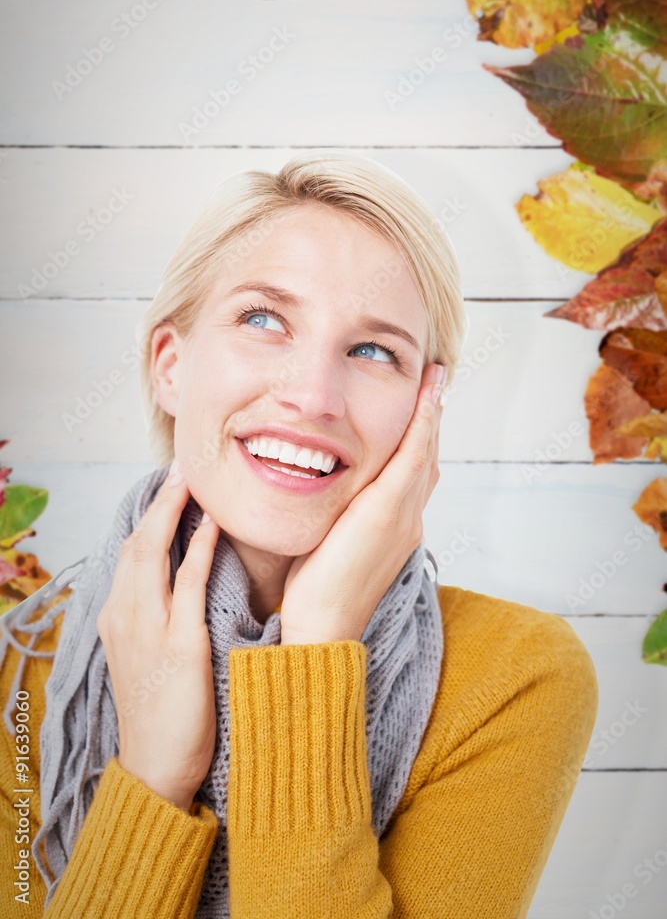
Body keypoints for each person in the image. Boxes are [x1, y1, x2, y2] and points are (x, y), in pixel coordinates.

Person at [0, 150, 598, 917]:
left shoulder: (516, 675)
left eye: (373, 350)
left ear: (425, 412)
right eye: (263, 319)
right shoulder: (32, 672)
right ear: (170, 366)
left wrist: (316, 650)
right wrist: (152, 776)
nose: (313, 395)